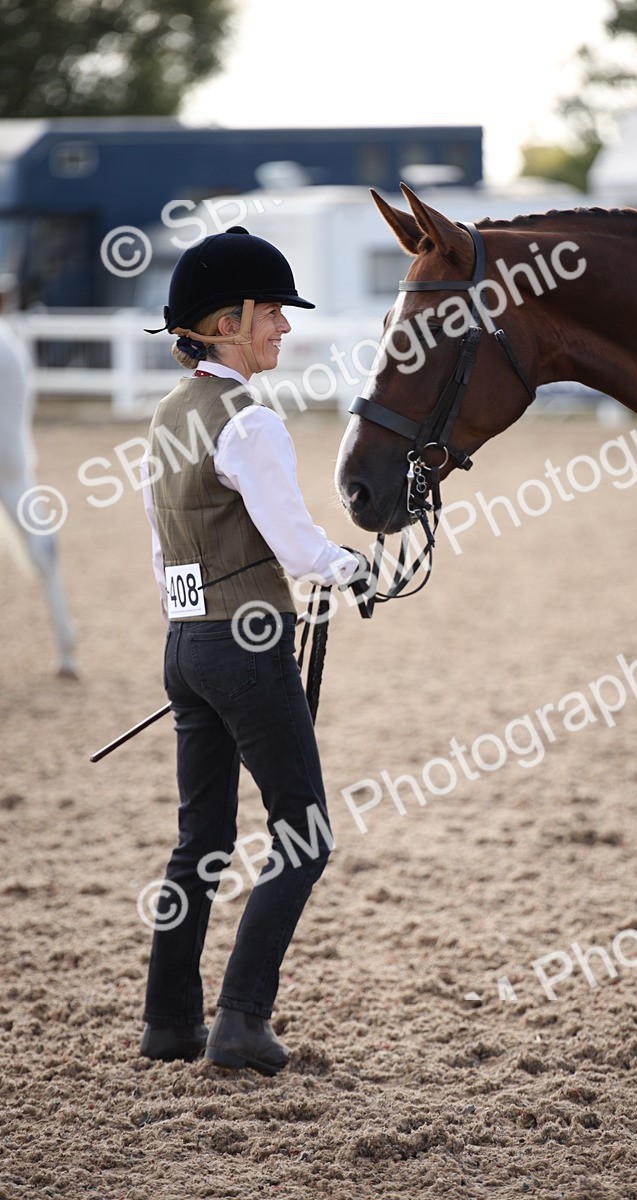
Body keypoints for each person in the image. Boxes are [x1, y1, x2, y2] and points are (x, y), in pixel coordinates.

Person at [138, 226, 367, 1075]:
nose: (283, 327)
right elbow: (299, 547)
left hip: (188, 645)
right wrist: (359, 569)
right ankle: (239, 1021)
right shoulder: (250, 419)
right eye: (271, 312)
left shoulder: (168, 415)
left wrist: (197, 636)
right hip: (247, 645)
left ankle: (168, 1022)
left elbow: (164, 551)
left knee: (200, 839)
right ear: (227, 321)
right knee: (304, 832)